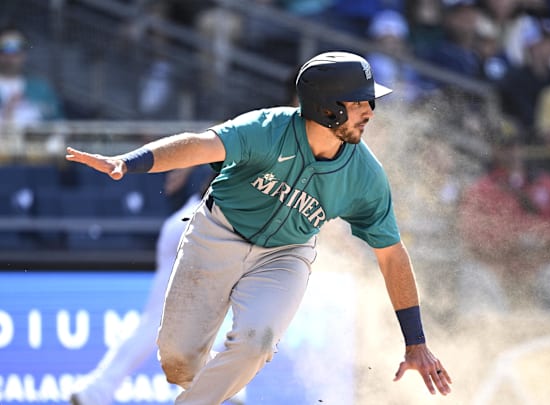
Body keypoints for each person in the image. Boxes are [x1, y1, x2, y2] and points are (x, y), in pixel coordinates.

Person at [65, 51, 452, 404]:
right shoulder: (267, 128)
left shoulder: (366, 176)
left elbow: (391, 256)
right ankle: (223, 393)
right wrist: (128, 163)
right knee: (178, 362)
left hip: (285, 255)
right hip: (217, 233)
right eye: (359, 101)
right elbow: (200, 146)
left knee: (257, 342)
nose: (370, 110)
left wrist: (415, 342)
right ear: (328, 108)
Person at [68, 171, 242, 405]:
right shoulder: (261, 156)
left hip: (187, 224)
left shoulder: (262, 156)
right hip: (202, 226)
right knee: (166, 323)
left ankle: (97, 389)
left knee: (161, 322)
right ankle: (98, 389)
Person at [457, 119, 550, 302]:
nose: (511, 151)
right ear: (494, 149)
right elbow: (473, 237)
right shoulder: (480, 191)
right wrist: (513, 241)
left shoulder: (549, 186)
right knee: (476, 277)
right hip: (499, 274)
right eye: (504, 146)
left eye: (514, 144)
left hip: (544, 269)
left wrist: (541, 239)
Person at [0, 27, 63, 127]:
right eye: (4, 48)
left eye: (17, 48)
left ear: (24, 53)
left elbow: (59, 124)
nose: (10, 55)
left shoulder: (42, 89)